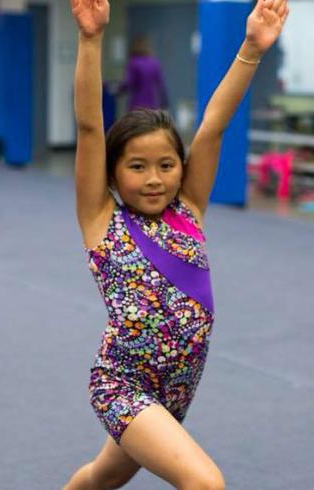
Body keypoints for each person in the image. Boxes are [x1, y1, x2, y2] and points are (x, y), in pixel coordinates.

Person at [63, 0, 288, 488]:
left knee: (102, 476)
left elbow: (213, 126)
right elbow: (87, 128)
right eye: (137, 167)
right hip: (122, 384)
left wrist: (251, 47)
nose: (153, 179)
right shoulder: (102, 220)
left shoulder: (189, 210)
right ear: (113, 173)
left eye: (166, 165)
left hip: (175, 390)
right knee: (206, 484)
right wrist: (91, 40)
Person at [116, 35, 169, 112]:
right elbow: (160, 85)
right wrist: (165, 103)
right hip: (152, 105)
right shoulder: (154, 62)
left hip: (137, 105)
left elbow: (128, 84)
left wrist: (118, 90)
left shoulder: (133, 62)